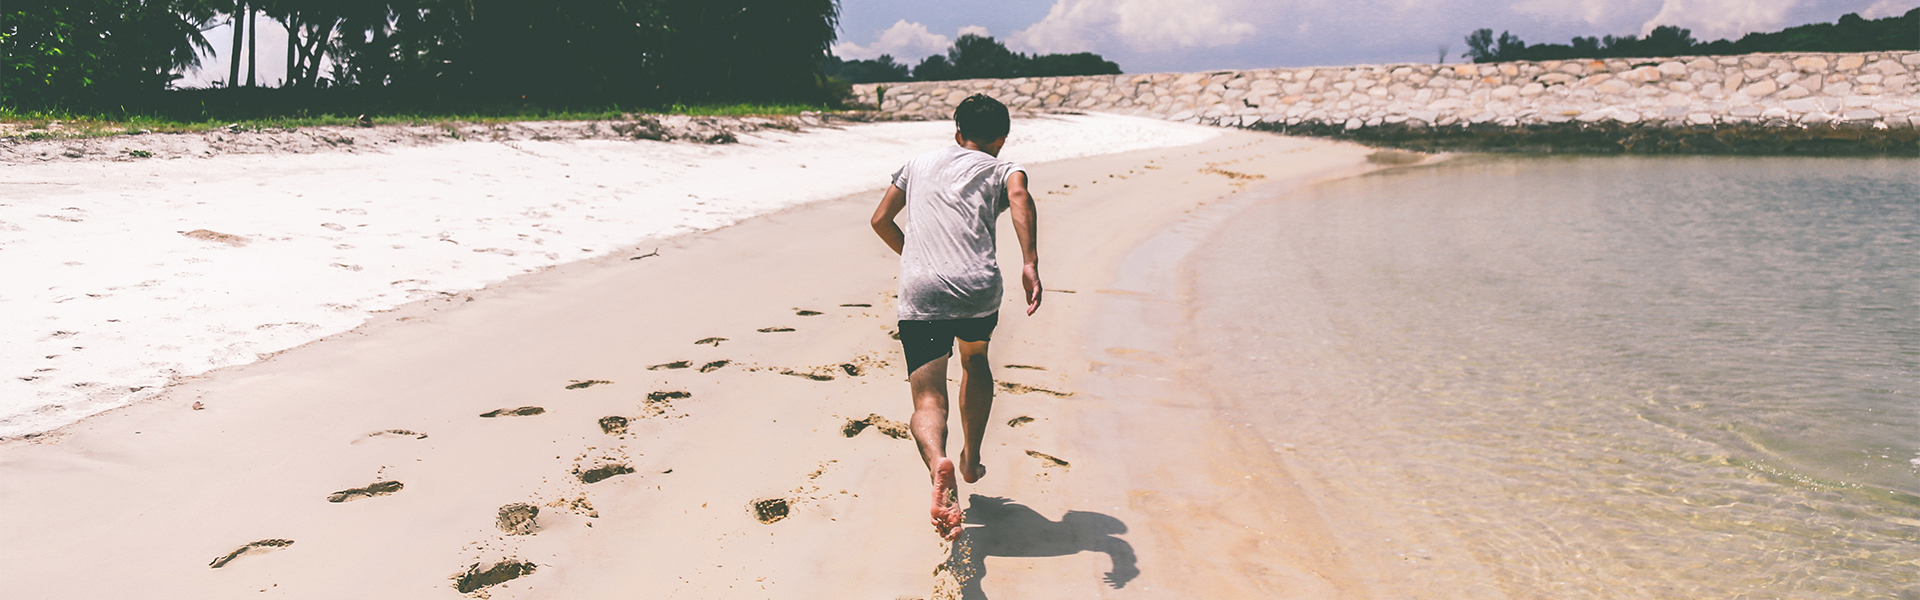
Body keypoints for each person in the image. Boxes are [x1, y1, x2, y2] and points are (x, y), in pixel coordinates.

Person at [869, 94, 1042, 541]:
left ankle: (937, 463)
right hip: (976, 289)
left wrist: (917, 258)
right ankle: (970, 460)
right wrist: (1029, 261)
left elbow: (880, 220)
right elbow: (1019, 195)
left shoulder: (917, 163)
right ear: (1001, 139)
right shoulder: (1005, 169)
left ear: (956, 130)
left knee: (927, 399)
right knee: (975, 361)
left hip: (923, 292)